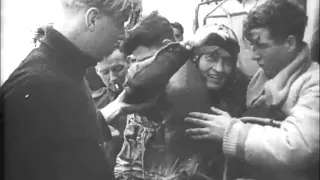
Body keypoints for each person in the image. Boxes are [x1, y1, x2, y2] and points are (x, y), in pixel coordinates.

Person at [0, 0, 146, 180]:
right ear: (92, 19)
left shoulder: (63, 70)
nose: (123, 34)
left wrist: (117, 107)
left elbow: (60, 136)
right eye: (120, 23)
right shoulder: (38, 84)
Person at [184, 1, 319, 180]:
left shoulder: (314, 83)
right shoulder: (260, 78)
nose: (254, 56)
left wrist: (230, 132)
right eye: (252, 46)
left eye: (261, 45)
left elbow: (298, 145)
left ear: (289, 43)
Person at [93, 48, 131, 167]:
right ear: (96, 71)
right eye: (105, 72)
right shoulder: (92, 104)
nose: (113, 78)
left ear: (129, 62)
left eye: (118, 69)